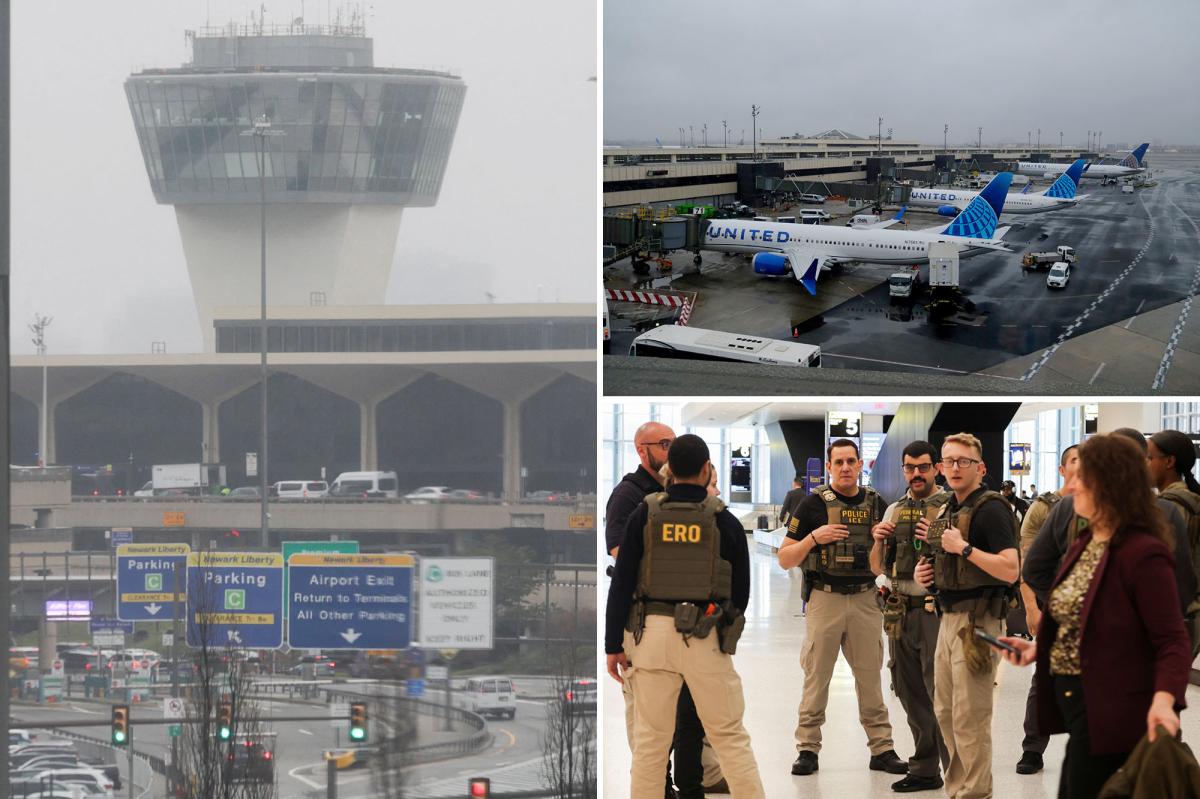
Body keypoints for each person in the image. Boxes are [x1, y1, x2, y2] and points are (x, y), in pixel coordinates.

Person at [999, 434, 1190, 799]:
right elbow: (1086, 615)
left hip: (1114, 706)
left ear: (1110, 485)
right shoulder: (1088, 542)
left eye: (1080, 479)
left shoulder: (1143, 552)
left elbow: (1171, 638)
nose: (1070, 487)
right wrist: (1040, 650)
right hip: (1080, 704)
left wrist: (1165, 700)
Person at [605, 435, 765, 799]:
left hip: (652, 638)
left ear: (670, 470)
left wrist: (613, 645)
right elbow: (740, 592)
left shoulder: (644, 514)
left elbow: (622, 583)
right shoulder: (724, 520)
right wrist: (722, 630)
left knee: (650, 742)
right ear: (707, 469)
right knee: (729, 737)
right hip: (705, 635)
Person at [778, 439, 906, 777]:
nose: (846, 467)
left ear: (860, 464)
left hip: (865, 599)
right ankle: (807, 749)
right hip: (825, 599)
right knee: (816, 677)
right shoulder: (811, 505)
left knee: (870, 678)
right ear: (829, 467)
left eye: (851, 461)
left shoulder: (877, 504)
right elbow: (785, 558)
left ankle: (882, 748)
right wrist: (814, 538)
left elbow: (892, 558)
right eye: (839, 462)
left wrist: (882, 539)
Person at [913, 432, 1020, 799]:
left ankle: (975, 793)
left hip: (979, 623)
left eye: (964, 461)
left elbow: (1011, 569)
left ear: (981, 468)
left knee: (970, 716)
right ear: (941, 468)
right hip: (948, 619)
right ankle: (959, 789)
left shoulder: (992, 509)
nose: (955, 468)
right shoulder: (949, 508)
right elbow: (944, 564)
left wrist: (965, 548)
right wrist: (925, 575)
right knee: (945, 712)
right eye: (949, 461)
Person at [1024, 428, 1197, 628]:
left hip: (1087, 631)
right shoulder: (1165, 511)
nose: (1072, 487)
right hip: (1140, 633)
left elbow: (1034, 570)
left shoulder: (1067, 509)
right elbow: (1182, 588)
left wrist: (1070, 609)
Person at [605, 421, 690, 799]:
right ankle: (655, 784)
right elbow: (619, 554)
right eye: (665, 444)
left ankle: (686, 777)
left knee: (681, 707)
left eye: (675, 443)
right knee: (644, 710)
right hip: (640, 618)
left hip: (680, 619)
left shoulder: (678, 490)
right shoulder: (628, 495)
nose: (672, 450)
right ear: (643, 450)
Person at [869, 440, 950, 793]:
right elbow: (876, 566)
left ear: (936, 468)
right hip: (899, 612)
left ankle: (958, 773)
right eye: (910, 468)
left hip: (936, 612)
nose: (916, 474)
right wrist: (877, 539)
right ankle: (925, 768)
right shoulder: (894, 510)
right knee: (908, 691)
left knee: (942, 694)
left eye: (923, 467)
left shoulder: (950, 506)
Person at [1014, 444, 1079, 777]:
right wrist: (1032, 608)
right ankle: (1032, 748)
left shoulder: (1107, 505)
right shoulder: (1044, 508)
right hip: (1053, 606)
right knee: (1044, 680)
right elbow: (1027, 561)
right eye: (1075, 461)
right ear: (1062, 469)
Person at [1146, 429, 1200, 655]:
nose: (1145, 464)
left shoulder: (1170, 507)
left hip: (1172, 615)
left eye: (1150, 458)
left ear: (1169, 461)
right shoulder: (1191, 500)